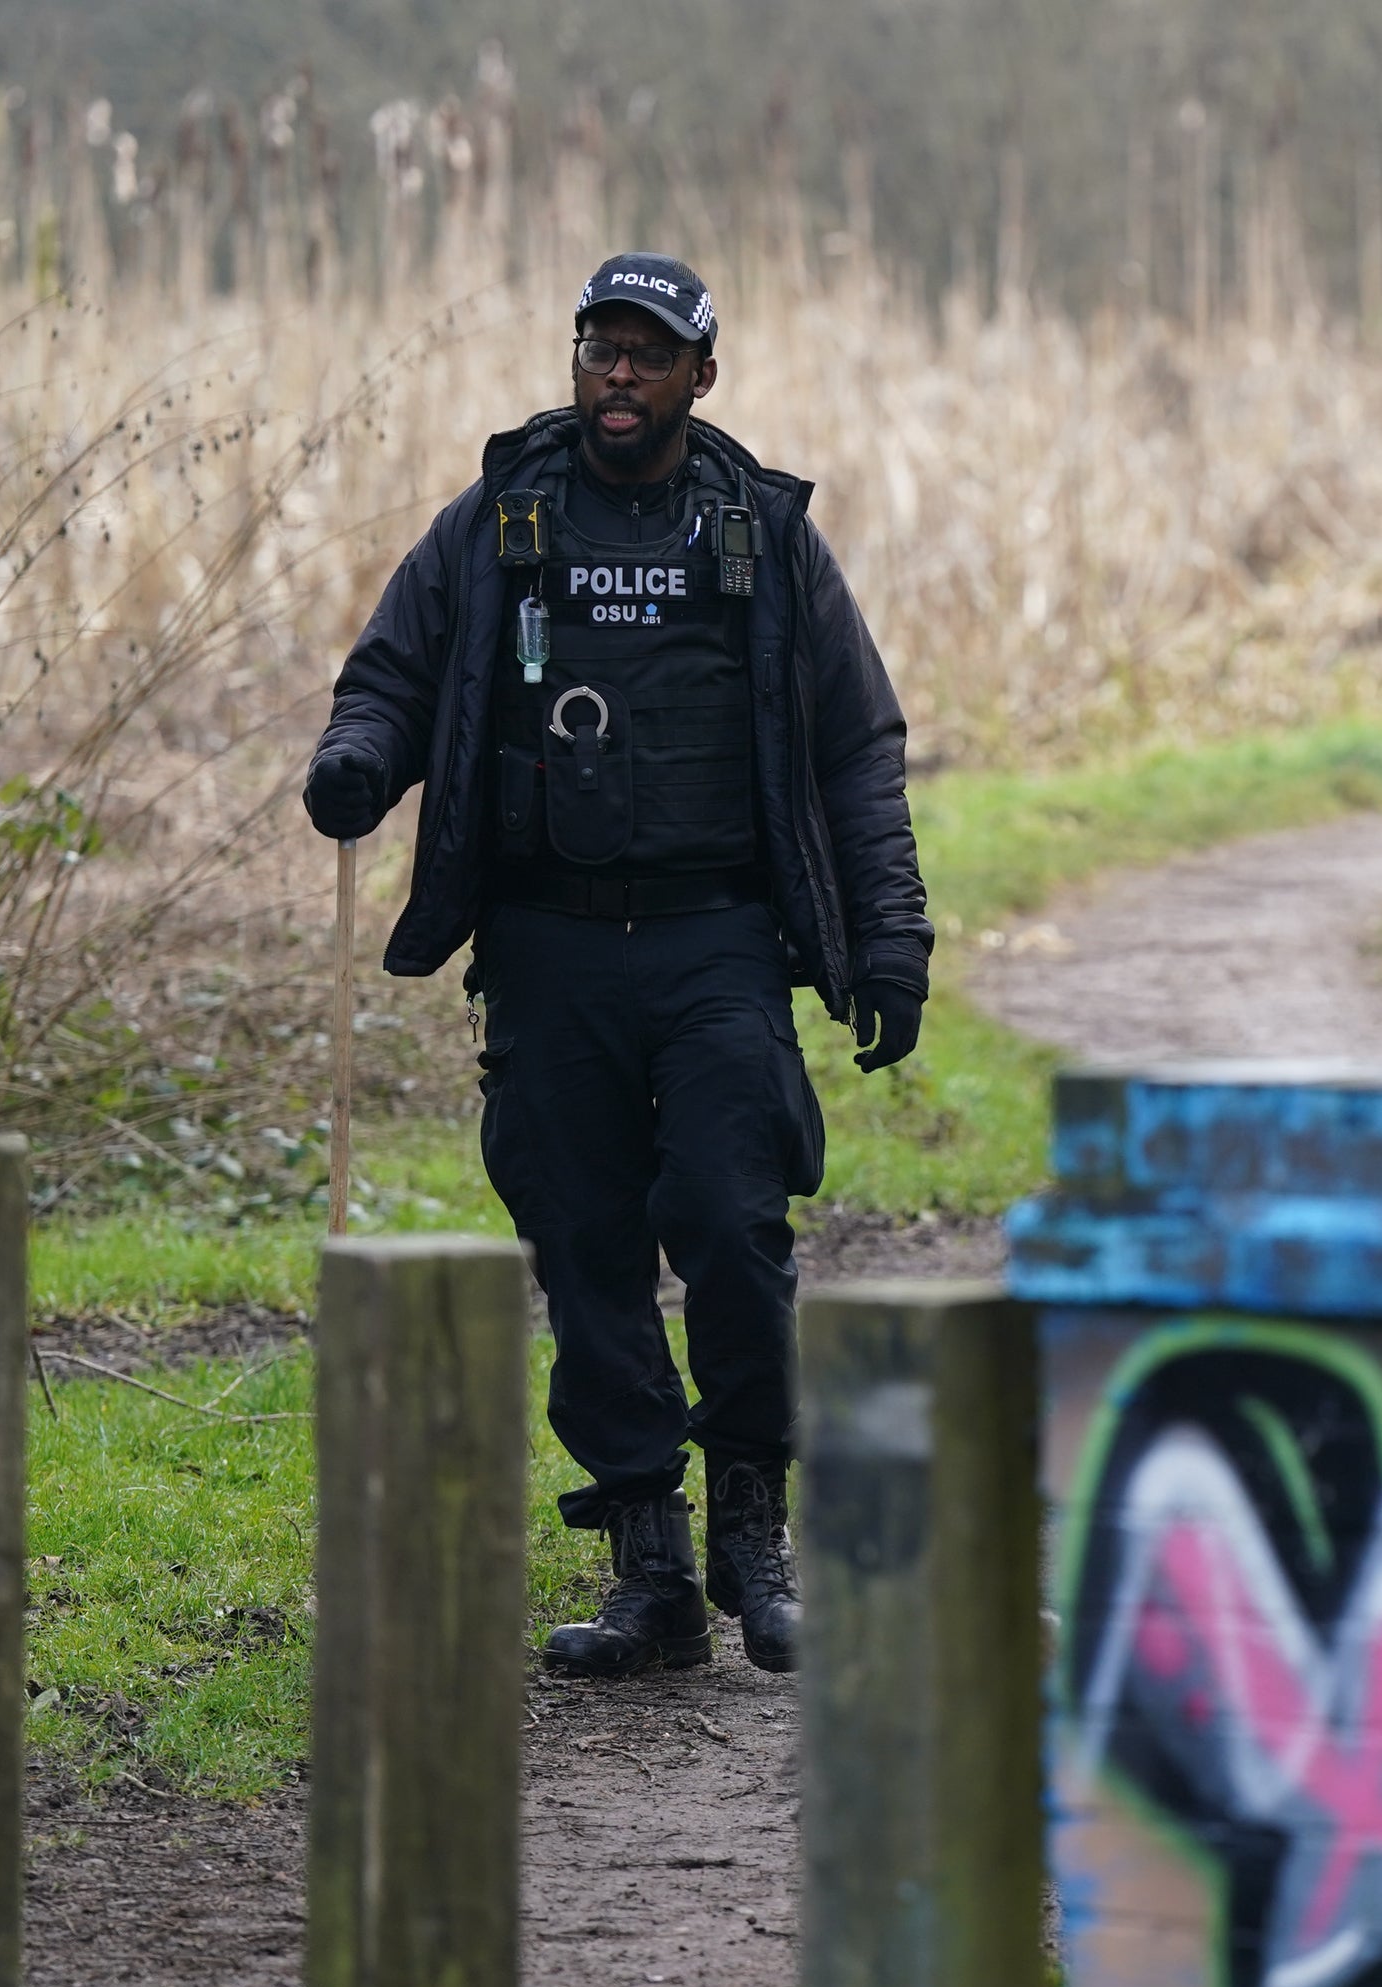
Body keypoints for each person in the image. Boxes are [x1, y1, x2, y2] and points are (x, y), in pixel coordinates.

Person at [302, 252, 933, 1677]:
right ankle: (649, 1573)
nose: (622, 376)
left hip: (718, 943)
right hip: (547, 948)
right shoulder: (497, 523)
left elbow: (856, 748)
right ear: (576, 359)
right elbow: (394, 672)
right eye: (603, 349)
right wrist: (358, 762)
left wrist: (890, 937)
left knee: (730, 1223)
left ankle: (753, 1544)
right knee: (585, 1249)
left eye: (652, 355)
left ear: (704, 376)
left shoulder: (762, 536)